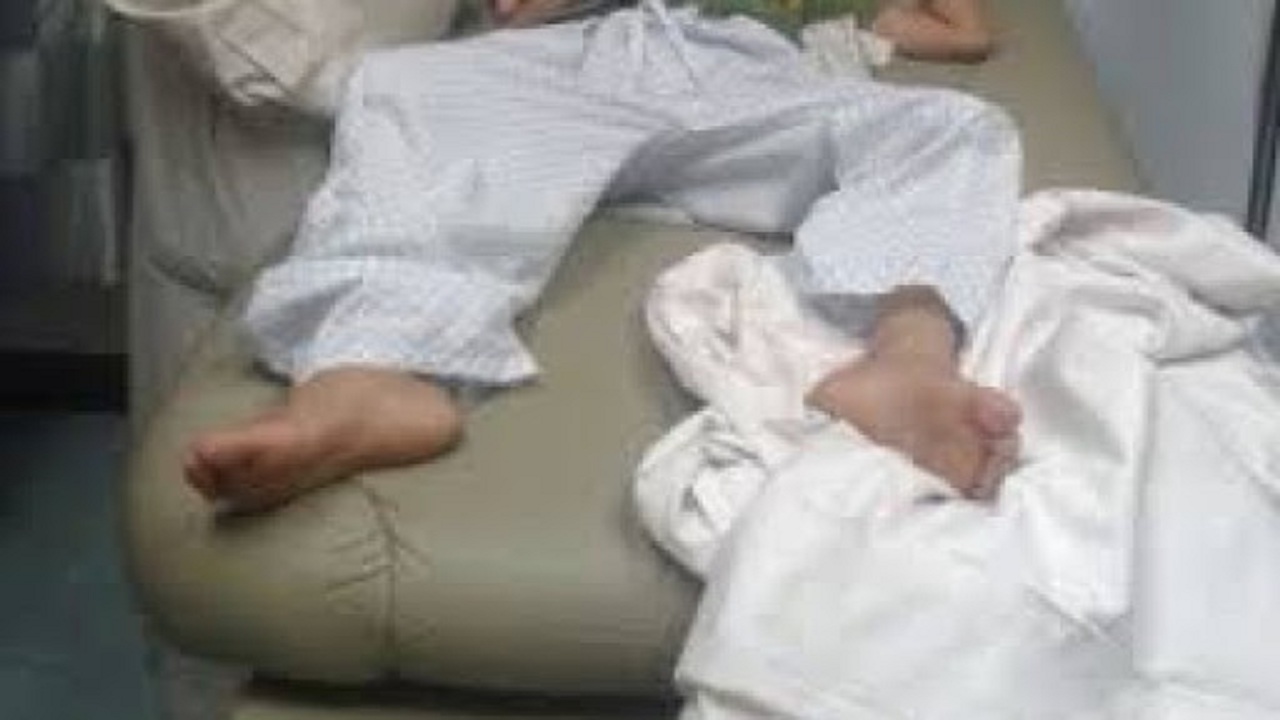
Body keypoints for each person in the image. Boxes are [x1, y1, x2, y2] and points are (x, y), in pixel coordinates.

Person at [184, 0, 1021, 513]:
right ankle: (364, 373)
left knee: (952, 126)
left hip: (747, 83)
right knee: (405, 86)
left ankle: (908, 361)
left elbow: (966, 30)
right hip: (577, 63)